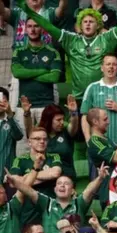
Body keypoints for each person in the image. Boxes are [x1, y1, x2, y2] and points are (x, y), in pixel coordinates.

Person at [16, 0, 117, 100]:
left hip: (103, 95)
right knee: (80, 137)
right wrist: (29, 12)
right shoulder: (71, 40)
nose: (88, 24)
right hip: (79, 98)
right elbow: (48, 25)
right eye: (85, 21)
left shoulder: (106, 39)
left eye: (91, 21)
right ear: (80, 25)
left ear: (98, 25)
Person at [5, 163, 106, 233]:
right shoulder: (47, 203)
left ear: (72, 191)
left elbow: (89, 190)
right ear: (55, 189)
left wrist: (100, 178)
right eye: (59, 183)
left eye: (66, 183)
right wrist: (15, 182)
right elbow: (30, 191)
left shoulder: (79, 203)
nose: (62, 185)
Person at [11, 18, 62, 152]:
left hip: (46, 106)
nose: (33, 29)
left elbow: (54, 76)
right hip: (24, 107)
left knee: (47, 148)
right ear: (25, 29)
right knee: (23, 148)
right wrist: (42, 70)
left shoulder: (52, 52)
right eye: (29, 26)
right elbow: (17, 72)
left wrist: (27, 73)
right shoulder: (19, 51)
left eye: (36, 26)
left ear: (42, 29)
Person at [9, 127, 63, 223]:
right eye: (37, 139)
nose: (42, 141)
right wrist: (45, 176)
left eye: (45, 139)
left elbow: (55, 173)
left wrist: (27, 177)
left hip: (50, 207)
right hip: (28, 209)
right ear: (29, 142)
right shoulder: (20, 160)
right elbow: (14, 182)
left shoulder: (54, 156)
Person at [23, 99, 79, 181]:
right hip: (44, 177)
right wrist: (27, 113)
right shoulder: (41, 133)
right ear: (49, 120)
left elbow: (73, 127)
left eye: (63, 119)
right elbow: (30, 131)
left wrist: (74, 113)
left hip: (65, 177)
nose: (62, 122)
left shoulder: (66, 130)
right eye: (58, 120)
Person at [86, 109, 117, 206]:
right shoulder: (95, 142)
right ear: (95, 122)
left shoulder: (106, 138)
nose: (108, 122)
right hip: (108, 189)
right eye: (105, 119)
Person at [0, 87, 23, 174]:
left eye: (3, 100)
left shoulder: (11, 121)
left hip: (8, 173)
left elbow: (19, 136)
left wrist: (10, 113)